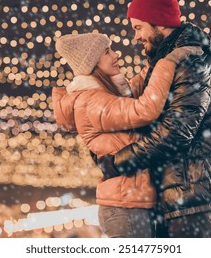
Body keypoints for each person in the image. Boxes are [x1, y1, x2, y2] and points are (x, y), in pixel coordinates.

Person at [94, 0, 211, 238]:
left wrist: (118, 162)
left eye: (138, 27)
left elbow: (176, 132)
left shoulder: (192, 63)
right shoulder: (165, 63)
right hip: (176, 191)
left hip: (190, 192)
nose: (136, 36)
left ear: (159, 23)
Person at [52, 32, 202, 237]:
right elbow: (145, 109)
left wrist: (156, 62)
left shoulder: (103, 96)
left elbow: (135, 89)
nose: (115, 55)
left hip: (131, 204)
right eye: (107, 52)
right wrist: (169, 62)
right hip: (124, 208)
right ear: (92, 62)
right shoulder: (91, 101)